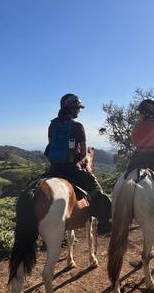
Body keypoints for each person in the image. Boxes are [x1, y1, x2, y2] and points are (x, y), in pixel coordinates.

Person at [44, 93, 111, 233]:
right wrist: (78, 162)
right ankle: (104, 223)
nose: (79, 111)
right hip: (71, 168)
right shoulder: (77, 127)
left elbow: (50, 145)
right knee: (97, 190)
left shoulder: (53, 124)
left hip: (54, 168)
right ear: (72, 109)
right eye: (78, 108)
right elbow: (81, 153)